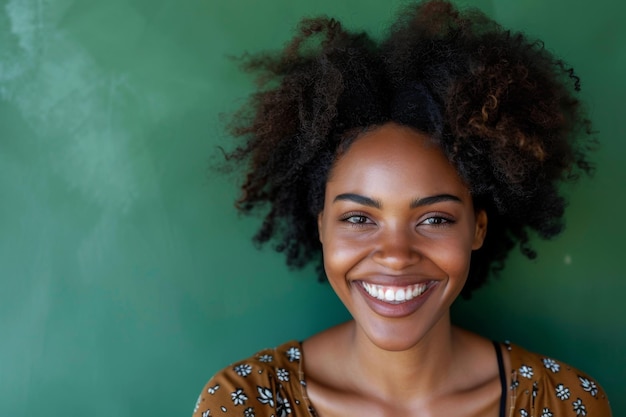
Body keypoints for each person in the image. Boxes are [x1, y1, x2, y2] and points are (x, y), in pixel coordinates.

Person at [193, 1, 612, 416]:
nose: (395, 255)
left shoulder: (563, 403)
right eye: (358, 218)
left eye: (434, 219)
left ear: (478, 228)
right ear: (321, 226)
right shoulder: (243, 403)